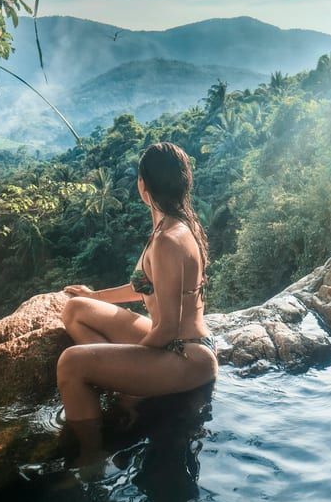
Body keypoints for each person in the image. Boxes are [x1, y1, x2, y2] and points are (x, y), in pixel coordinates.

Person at [58, 141, 218, 429]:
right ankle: (114, 374)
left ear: (143, 185)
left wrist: (130, 384)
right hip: (176, 344)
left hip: (184, 355)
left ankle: (90, 461)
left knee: (71, 363)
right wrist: (95, 296)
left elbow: (167, 328)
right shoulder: (173, 225)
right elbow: (143, 286)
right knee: (76, 309)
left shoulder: (169, 240)